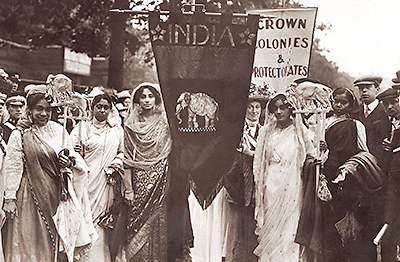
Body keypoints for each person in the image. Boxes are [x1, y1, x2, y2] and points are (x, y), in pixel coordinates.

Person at [1, 91, 97, 262]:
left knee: (54, 239)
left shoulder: (59, 131)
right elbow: (13, 167)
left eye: (48, 110)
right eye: (39, 109)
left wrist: (68, 162)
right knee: (29, 239)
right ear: (29, 110)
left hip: (56, 193)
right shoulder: (20, 134)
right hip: (29, 195)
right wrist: (10, 198)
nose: (44, 114)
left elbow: (74, 159)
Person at [319, 87, 383, 262]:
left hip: (348, 178)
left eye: (343, 102)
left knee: (349, 219)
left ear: (350, 104)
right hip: (326, 175)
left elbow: (364, 152)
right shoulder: (322, 121)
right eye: (336, 101)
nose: (339, 105)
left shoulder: (356, 125)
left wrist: (350, 167)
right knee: (328, 219)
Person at [252, 93, 315, 261]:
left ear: (291, 109)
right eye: (275, 108)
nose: (279, 112)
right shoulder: (266, 131)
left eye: (283, 108)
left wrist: (321, 148)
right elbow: (258, 161)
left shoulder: (300, 131)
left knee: (289, 224)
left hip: (292, 185)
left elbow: (312, 155)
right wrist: (260, 184)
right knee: (271, 224)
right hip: (270, 183)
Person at [120, 83, 172, 261]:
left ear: (157, 99)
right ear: (137, 100)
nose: (147, 100)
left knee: (159, 223)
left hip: (162, 179)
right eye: (143, 96)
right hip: (139, 180)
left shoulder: (166, 122)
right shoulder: (130, 125)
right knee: (136, 224)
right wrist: (128, 189)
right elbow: (127, 159)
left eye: (151, 96)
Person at [71, 93, 124, 262]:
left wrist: (115, 164)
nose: (102, 110)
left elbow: (123, 153)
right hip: (85, 180)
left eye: (106, 107)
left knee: (103, 220)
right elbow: (69, 153)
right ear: (92, 108)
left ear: (110, 109)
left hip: (107, 181)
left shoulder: (116, 130)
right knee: (84, 216)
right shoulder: (81, 128)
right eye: (98, 107)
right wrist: (76, 154)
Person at [223, 86, 269, 262]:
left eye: (257, 107)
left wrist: (252, 154)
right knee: (237, 226)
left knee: (255, 224)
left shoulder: (265, 131)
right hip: (237, 184)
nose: (254, 111)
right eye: (250, 107)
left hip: (259, 184)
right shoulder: (236, 132)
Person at [375, 86, 400, 261]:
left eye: (394, 102)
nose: (390, 107)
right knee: (389, 224)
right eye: (386, 104)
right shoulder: (381, 125)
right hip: (389, 183)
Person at [354, 76, 391, 174]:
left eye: (368, 87)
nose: (364, 91)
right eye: (361, 88)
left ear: (377, 89)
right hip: (357, 165)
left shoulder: (386, 112)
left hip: (379, 166)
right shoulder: (355, 112)